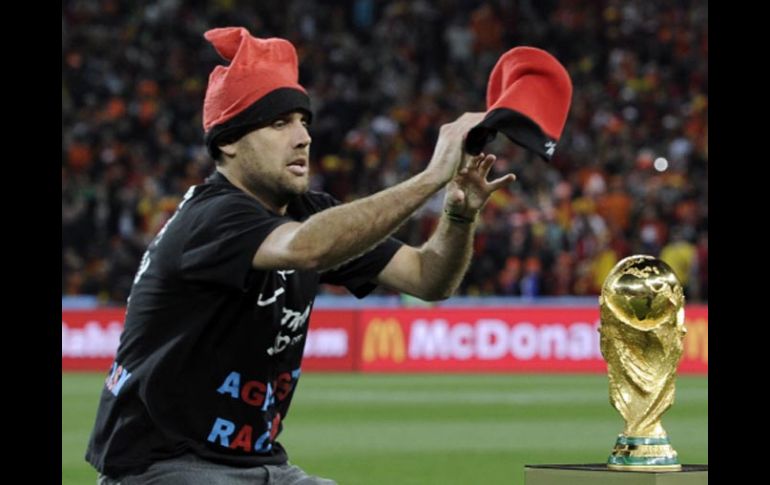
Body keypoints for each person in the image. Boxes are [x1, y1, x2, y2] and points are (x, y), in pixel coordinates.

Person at [85, 27, 515, 485]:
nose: (303, 136)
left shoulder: (310, 213)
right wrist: (431, 177)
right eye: (279, 123)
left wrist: (458, 215)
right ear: (228, 142)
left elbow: (429, 277)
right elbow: (306, 248)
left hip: (262, 466)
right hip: (163, 467)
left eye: (303, 120)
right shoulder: (212, 217)